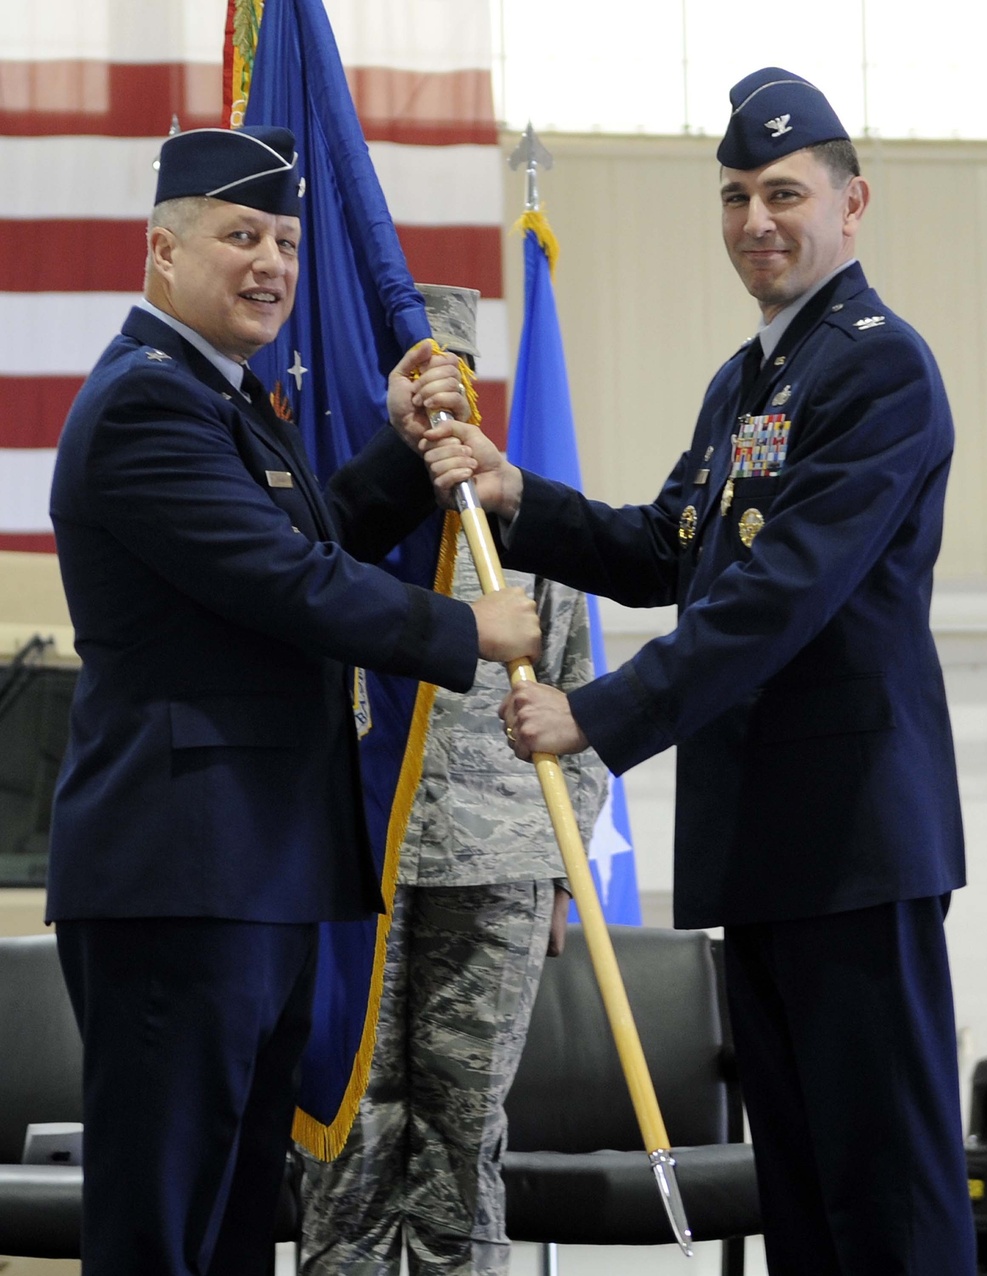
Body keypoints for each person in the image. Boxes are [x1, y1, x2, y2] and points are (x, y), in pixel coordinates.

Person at [422, 68, 977, 1276]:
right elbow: (671, 545)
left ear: (851, 202)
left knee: (884, 1191)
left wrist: (596, 712)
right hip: (769, 844)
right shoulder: (749, 379)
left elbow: (781, 597)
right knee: (805, 1193)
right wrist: (520, 500)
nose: (754, 223)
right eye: (732, 197)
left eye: (782, 193)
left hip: (856, 843)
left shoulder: (879, 368)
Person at [45, 124, 540, 1276]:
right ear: (163, 253)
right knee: (160, 1224)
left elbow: (299, 537)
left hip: (254, 868)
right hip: (179, 875)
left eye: (284, 240)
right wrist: (468, 630)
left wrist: (398, 447)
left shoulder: (226, 401)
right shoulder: (143, 406)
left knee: (229, 1227)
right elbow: (286, 581)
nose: (270, 262)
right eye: (239, 235)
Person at [295, 285, 606, 1276]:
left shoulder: (523, 526)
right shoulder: (334, 535)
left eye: (455, 379)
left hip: (496, 865)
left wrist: (563, 868)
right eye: (421, 381)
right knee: (347, 1141)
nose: (440, 403)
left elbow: (580, 709)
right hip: (359, 872)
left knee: (463, 1148)